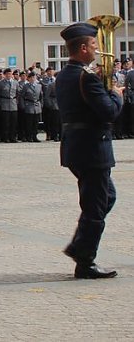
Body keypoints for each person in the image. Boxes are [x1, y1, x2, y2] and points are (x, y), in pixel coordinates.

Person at [57, 22, 123, 280]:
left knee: (106, 198)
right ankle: (85, 260)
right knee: (96, 206)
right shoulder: (87, 76)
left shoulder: (66, 74)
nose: (98, 49)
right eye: (94, 45)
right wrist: (115, 94)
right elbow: (109, 112)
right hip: (93, 148)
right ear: (83, 48)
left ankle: (79, 246)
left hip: (76, 146)